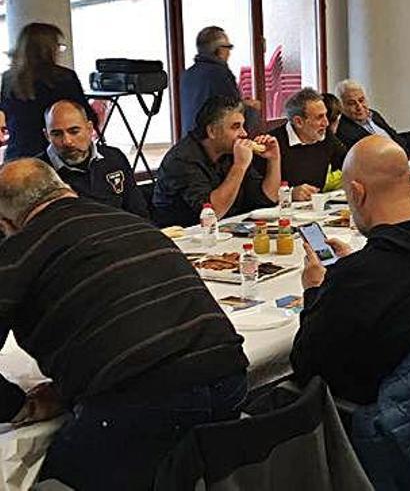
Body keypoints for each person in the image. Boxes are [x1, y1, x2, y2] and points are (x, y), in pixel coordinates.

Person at [0, 159, 248, 490]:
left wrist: (18, 407)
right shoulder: (131, 222)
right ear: (66, 189)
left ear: (6, 222)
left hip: (143, 393)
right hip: (229, 375)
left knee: (48, 481)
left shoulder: (19, 250)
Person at [290, 136, 410, 404]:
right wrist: (358, 263)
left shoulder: (360, 277)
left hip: (388, 419)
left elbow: (307, 365)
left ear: (358, 193)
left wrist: (315, 290)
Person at [152, 96, 281, 227]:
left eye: (243, 126)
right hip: (185, 236)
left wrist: (273, 159)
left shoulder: (229, 152)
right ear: (212, 131)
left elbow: (269, 198)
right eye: (235, 127)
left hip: (229, 228)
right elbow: (212, 214)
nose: (244, 133)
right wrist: (239, 166)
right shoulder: (182, 160)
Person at [36, 100, 149, 218]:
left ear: (89, 129)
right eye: (57, 134)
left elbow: (138, 211)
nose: (67, 141)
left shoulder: (114, 158)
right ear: (47, 136)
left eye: (74, 131)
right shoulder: (37, 173)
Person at [0, 23, 97, 161]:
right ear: (49, 49)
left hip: (17, 155)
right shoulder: (64, 78)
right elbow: (86, 116)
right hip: (55, 156)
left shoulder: (8, 78)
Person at [262, 87, 346, 200]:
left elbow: (348, 163)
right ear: (298, 122)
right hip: (281, 212)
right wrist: (290, 194)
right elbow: (260, 196)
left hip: (316, 211)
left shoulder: (326, 138)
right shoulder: (271, 144)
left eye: (325, 115)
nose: (326, 123)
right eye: (319, 117)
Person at [180, 26, 260, 135]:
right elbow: (234, 111)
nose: (229, 53)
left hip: (189, 139)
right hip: (211, 140)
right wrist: (250, 106)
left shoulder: (187, 74)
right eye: (228, 47)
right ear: (220, 50)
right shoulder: (219, 73)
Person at [334, 79, 407, 151]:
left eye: (361, 100)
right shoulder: (343, 130)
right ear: (341, 107)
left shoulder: (374, 115)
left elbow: (396, 138)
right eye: (352, 103)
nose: (359, 106)